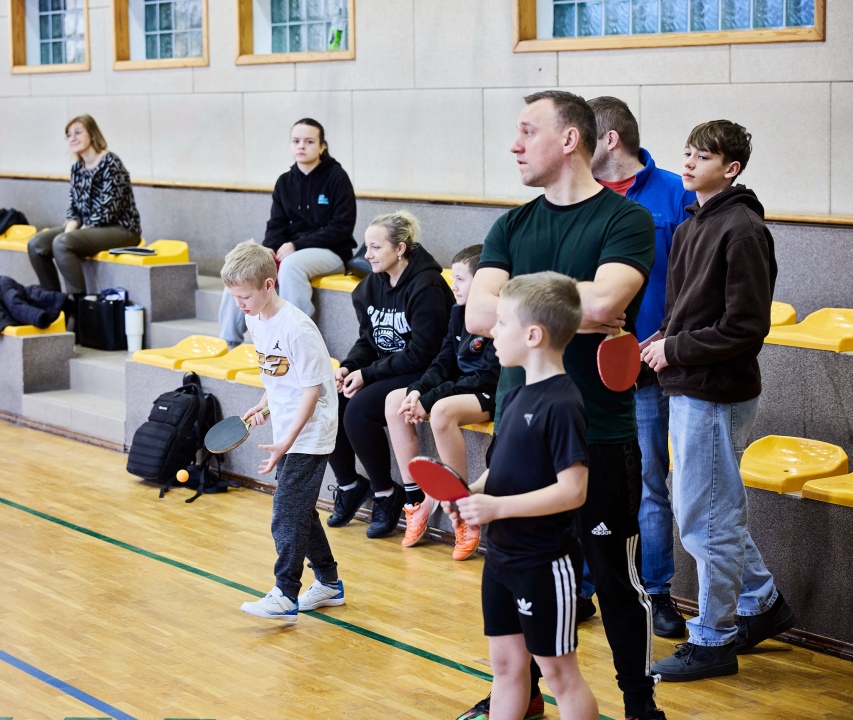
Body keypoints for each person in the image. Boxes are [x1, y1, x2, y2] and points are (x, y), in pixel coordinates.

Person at [460, 90, 665, 720]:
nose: (515, 144)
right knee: (515, 576)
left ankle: (638, 707)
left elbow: (609, 305)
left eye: (527, 131)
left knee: (616, 584)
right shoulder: (511, 226)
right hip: (518, 433)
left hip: (598, 435)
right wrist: (575, 307)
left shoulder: (624, 219)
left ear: (571, 138)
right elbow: (477, 312)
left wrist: (526, 304)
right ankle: (517, 698)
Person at [642, 120, 796, 681]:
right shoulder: (692, 224)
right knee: (713, 512)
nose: (686, 162)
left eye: (701, 156)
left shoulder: (743, 229)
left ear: (729, 168)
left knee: (705, 520)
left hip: (715, 393)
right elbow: (692, 313)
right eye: (685, 152)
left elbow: (747, 328)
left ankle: (714, 640)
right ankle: (761, 602)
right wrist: (664, 338)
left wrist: (677, 347)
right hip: (690, 385)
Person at [444, 272, 597, 720]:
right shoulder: (514, 397)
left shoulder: (563, 404)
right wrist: (470, 491)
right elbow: (505, 469)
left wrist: (497, 508)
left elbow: (574, 490)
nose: (491, 331)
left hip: (544, 564)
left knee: (559, 677)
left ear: (533, 335)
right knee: (507, 668)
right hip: (502, 560)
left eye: (502, 322)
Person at [586, 95, 696, 639]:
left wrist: (664, 336)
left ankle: (657, 592)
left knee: (652, 481)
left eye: (584, 135)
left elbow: (692, 280)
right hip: (584, 367)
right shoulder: (578, 196)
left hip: (647, 370)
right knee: (582, 476)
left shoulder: (675, 192)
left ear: (610, 140)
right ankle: (585, 583)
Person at [222, 241, 345, 624]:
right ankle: (328, 583)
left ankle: (285, 594)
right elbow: (279, 378)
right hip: (288, 426)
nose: (239, 304)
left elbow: (312, 390)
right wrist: (264, 405)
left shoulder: (297, 328)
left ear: (269, 284)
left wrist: (286, 441)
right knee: (299, 511)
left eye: (244, 296)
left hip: (311, 430)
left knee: (285, 513)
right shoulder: (255, 319)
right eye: (234, 297)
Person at [326, 211, 455, 539]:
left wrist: (367, 375)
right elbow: (368, 341)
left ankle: (386, 494)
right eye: (366, 247)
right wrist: (349, 366)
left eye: (374, 247)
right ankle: (350, 485)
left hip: (426, 371)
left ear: (400, 248)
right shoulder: (368, 288)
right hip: (390, 368)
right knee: (331, 399)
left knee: (358, 410)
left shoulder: (427, 286)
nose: (366, 255)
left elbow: (423, 353)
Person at [384, 244, 499, 560]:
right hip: (459, 386)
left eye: (461, 279)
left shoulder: (496, 315)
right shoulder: (457, 311)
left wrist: (433, 399)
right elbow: (444, 358)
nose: (454, 286)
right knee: (397, 399)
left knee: (442, 411)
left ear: (484, 281)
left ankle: (462, 511)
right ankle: (415, 498)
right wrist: (419, 392)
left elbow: (486, 377)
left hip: (491, 391)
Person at [218, 118, 356, 347]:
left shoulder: (336, 178)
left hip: (331, 252)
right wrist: (269, 248)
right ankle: (228, 342)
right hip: (289, 250)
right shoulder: (284, 182)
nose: (301, 146)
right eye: (296, 141)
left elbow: (341, 228)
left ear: (322, 146)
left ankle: (295, 339)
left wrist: (297, 245)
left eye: (309, 141)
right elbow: (276, 224)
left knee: (292, 265)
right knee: (242, 268)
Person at [28, 115, 141, 332]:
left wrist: (72, 235)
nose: (72, 138)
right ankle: (55, 301)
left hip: (121, 228)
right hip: (88, 227)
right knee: (37, 244)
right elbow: (74, 208)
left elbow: (110, 209)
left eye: (78, 132)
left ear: (92, 133)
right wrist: (71, 227)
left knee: (62, 243)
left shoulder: (110, 162)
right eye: (68, 135)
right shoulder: (77, 169)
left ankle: (80, 309)